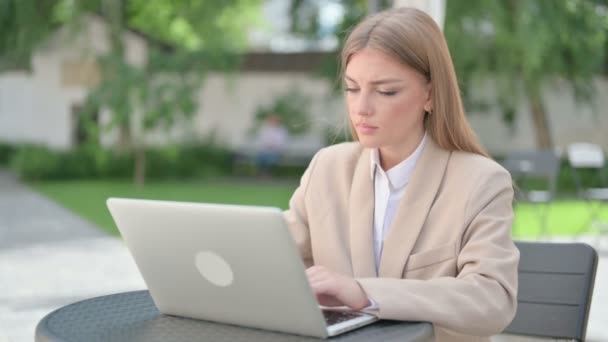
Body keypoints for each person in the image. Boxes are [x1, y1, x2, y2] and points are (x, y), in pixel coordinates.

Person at [284, 7, 519, 342]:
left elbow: (492, 300)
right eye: (352, 88)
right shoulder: (327, 168)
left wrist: (363, 292)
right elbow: (275, 258)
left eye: (386, 91)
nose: (361, 107)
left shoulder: (481, 182)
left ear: (430, 94)